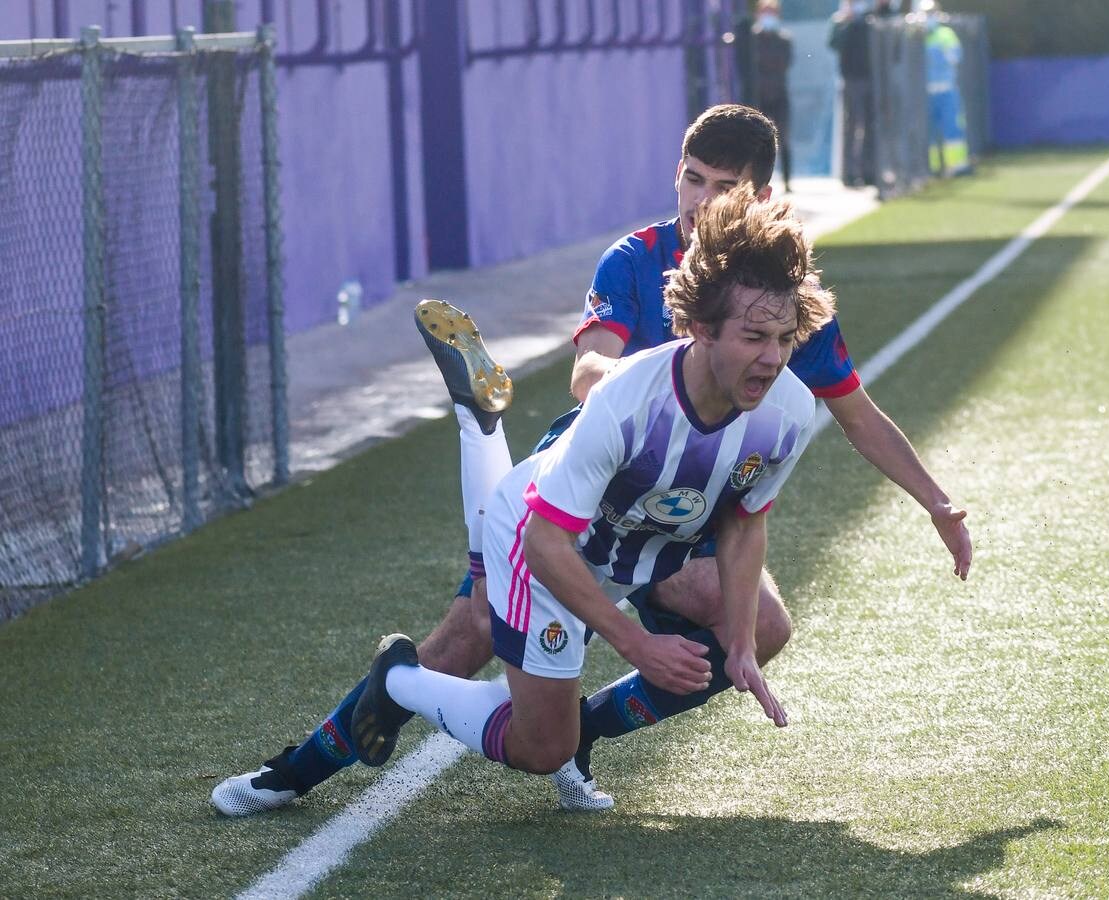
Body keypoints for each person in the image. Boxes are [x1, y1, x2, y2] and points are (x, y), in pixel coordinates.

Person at [211, 103, 972, 817]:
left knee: (761, 626)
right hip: (595, 478)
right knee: (468, 635)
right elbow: (589, 375)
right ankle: (302, 766)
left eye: (723, 187)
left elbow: (849, 417)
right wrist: (663, 392)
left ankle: (584, 733)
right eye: (691, 179)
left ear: (759, 195)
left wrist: (937, 502)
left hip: (681, 501)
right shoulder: (638, 265)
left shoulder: (775, 298)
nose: (699, 200)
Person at [347, 186, 835, 801]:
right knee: (539, 738)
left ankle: (481, 423)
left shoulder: (788, 409)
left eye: (786, 339)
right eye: (755, 337)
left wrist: (739, 641)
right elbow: (541, 537)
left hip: (613, 549)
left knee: (513, 655)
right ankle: (399, 679)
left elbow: (744, 520)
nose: (772, 359)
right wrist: (636, 643)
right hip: (543, 541)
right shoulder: (629, 395)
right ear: (703, 328)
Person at [919, 0, 972, 176]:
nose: (929, 18)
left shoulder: (945, 34)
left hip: (947, 89)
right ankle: (934, 168)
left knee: (952, 128)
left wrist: (941, 53)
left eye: (931, 14)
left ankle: (957, 166)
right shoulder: (917, 36)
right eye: (926, 14)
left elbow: (955, 57)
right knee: (929, 133)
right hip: (926, 92)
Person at [830, 0, 877, 188]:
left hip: (871, 79)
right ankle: (849, 173)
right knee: (852, 127)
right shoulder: (840, 22)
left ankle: (868, 171)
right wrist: (847, 22)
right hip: (851, 79)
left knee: (870, 126)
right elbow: (834, 43)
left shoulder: (870, 20)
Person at [751, 1, 794, 193]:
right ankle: (754, 182)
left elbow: (783, 63)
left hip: (779, 95)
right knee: (755, 141)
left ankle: (787, 180)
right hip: (759, 96)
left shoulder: (783, 39)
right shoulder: (753, 39)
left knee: (783, 138)